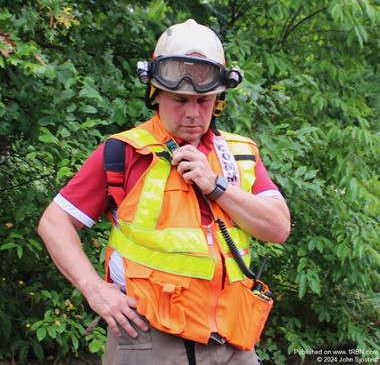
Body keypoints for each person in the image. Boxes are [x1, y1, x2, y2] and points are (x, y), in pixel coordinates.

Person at [38, 19, 290, 365]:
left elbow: (278, 228)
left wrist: (216, 186)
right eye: (179, 99)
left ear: (218, 100)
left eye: (203, 101)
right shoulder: (125, 152)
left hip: (232, 339)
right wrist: (95, 290)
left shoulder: (239, 153)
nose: (192, 113)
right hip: (146, 336)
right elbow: (54, 223)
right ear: (155, 94)